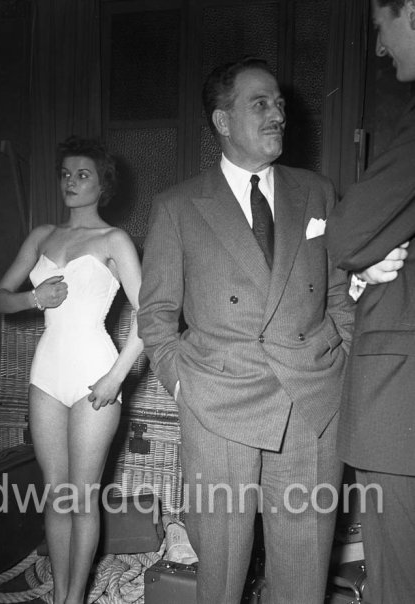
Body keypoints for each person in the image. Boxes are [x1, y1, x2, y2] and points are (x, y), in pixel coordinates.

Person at [137, 58, 355, 604]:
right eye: (260, 103)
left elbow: (338, 293)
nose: (277, 113)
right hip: (218, 404)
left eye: (279, 102)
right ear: (222, 121)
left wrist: (342, 361)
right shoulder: (178, 206)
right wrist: (184, 384)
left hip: (310, 401)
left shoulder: (318, 192)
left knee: (304, 575)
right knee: (222, 574)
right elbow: (157, 317)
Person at [0, 136, 143, 604]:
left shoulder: (114, 240)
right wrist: (34, 299)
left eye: (83, 175)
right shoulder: (41, 235)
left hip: (96, 373)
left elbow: (149, 315)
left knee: (82, 494)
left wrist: (116, 377)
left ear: (103, 185)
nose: (71, 182)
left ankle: (75, 598)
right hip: (46, 375)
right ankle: (59, 596)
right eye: (65, 174)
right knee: (56, 494)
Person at [325, 1, 415, 601]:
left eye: (383, 28)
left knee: (398, 577)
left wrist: (365, 253)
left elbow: (349, 230)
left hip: (401, 400)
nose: (381, 49)